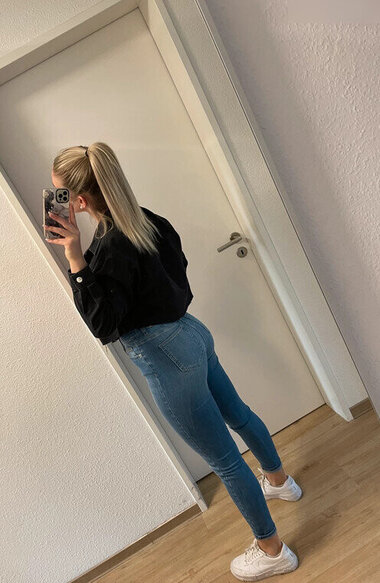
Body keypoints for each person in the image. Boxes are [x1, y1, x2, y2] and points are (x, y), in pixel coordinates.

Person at [45, 142, 301, 581]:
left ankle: (272, 550)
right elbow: (177, 271)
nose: (58, 202)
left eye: (61, 194)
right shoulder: (146, 219)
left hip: (165, 356)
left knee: (226, 461)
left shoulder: (108, 248)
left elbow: (103, 325)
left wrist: (74, 258)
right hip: (191, 333)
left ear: (80, 201)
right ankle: (280, 483)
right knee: (238, 415)